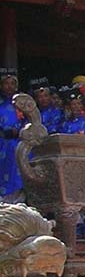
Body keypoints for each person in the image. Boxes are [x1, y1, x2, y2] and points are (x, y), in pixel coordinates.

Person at [0, 70, 22, 203]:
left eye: (12, 83)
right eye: (6, 83)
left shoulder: (23, 105)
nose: (9, 86)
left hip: (18, 145)